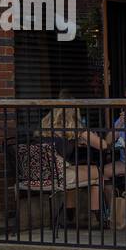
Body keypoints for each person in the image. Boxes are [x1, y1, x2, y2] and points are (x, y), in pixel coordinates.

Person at [39, 90, 110, 227]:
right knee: (97, 172)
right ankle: (97, 219)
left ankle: (68, 217)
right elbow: (103, 145)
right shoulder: (77, 128)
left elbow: (59, 145)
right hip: (60, 175)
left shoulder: (45, 126)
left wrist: (75, 142)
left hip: (43, 174)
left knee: (73, 171)